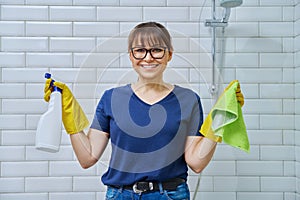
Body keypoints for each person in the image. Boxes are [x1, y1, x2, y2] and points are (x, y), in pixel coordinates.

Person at [44, 22, 244, 200]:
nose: (148, 58)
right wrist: (68, 111)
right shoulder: (111, 98)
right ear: (131, 56)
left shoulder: (189, 100)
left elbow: (196, 163)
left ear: (169, 55)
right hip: (120, 195)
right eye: (140, 50)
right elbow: (87, 158)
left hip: (170, 195)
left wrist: (219, 120)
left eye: (156, 50)